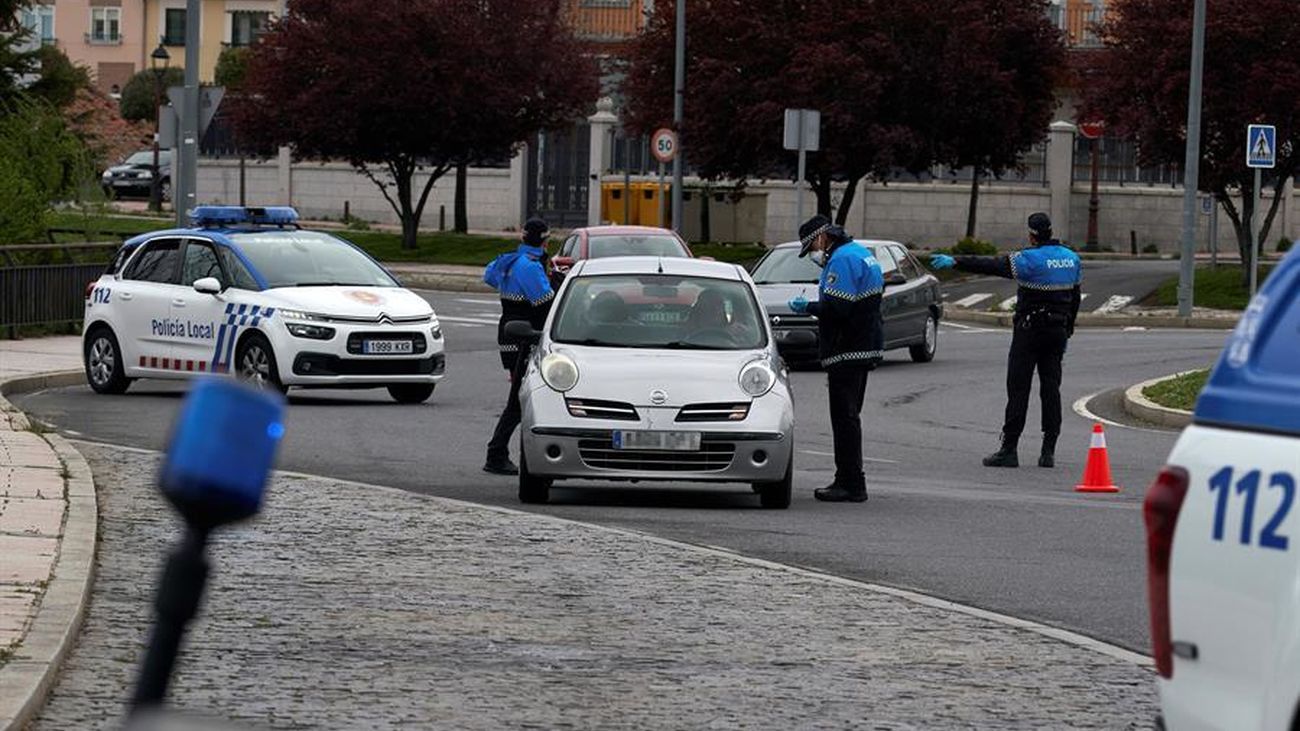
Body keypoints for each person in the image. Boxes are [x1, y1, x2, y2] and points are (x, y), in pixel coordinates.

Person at [928, 212, 1082, 468]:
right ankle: (1048, 451)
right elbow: (1075, 297)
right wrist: (1068, 330)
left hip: (1029, 330)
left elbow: (992, 265)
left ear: (1031, 234)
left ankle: (1009, 449)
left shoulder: (1028, 259)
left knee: (1018, 388)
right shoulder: (1070, 258)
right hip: (1057, 331)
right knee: (1051, 389)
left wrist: (955, 261)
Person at [787, 215, 884, 502]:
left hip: (847, 348)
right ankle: (851, 480)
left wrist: (809, 307)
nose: (813, 256)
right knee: (850, 416)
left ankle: (850, 483)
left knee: (844, 419)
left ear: (820, 238)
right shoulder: (861, 253)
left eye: (811, 248)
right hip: (864, 345)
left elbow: (838, 308)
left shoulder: (841, 259)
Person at [482, 217, 555, 475]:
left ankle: (498, 452)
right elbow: (545, 302)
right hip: (524, 335)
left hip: (508, 333)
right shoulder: (530, 267)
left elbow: (488, 276)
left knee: (518, 394)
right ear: (544, 241)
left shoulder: (509, 261)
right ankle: (496, 453)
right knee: (518, 399)